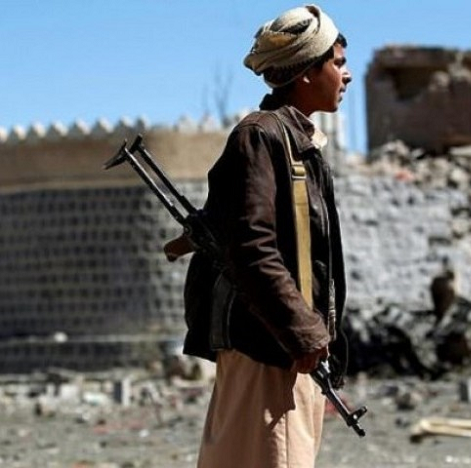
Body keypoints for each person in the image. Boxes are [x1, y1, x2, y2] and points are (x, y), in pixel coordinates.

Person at [189, 5, 352, 467]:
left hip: (288, 347)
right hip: (268, 347)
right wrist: (301, 328)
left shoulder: (297, 142)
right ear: (305, 72)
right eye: (337, 63)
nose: (347, 75)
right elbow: (252, 246)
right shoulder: (261, 138)